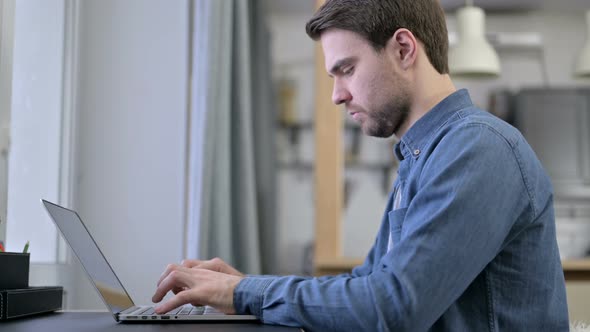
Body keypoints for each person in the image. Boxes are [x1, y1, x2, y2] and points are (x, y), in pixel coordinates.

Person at [151, 0, 570, 330]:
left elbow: (393, 308)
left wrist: (245, 293)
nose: (337, 95)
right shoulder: (422, 156)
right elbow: (367, 287)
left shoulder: (479, 148)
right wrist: (243, 287)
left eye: (346, 70)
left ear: (403, 49)